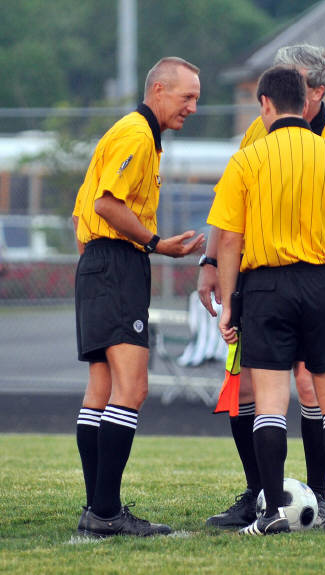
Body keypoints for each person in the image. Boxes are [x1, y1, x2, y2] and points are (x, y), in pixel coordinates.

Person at [199, 44, 325, 530]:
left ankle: (290, 504)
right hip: (318, 280)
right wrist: (322, 248)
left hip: (266, 284)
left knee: (277, 398)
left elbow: (231, 233)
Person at [72, 57, 204, 538]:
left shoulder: (128, 132)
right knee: (132, 389)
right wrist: (155, 244)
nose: (193, 107)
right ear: (158, 90)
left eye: (197, 99)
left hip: (99, 265)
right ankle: (106, 512)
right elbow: (106, 203)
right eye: (187, 96)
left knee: (102, 390)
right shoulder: (136, 134)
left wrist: (98, 265)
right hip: (116, 265)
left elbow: (81, 214)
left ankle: (98, 508)